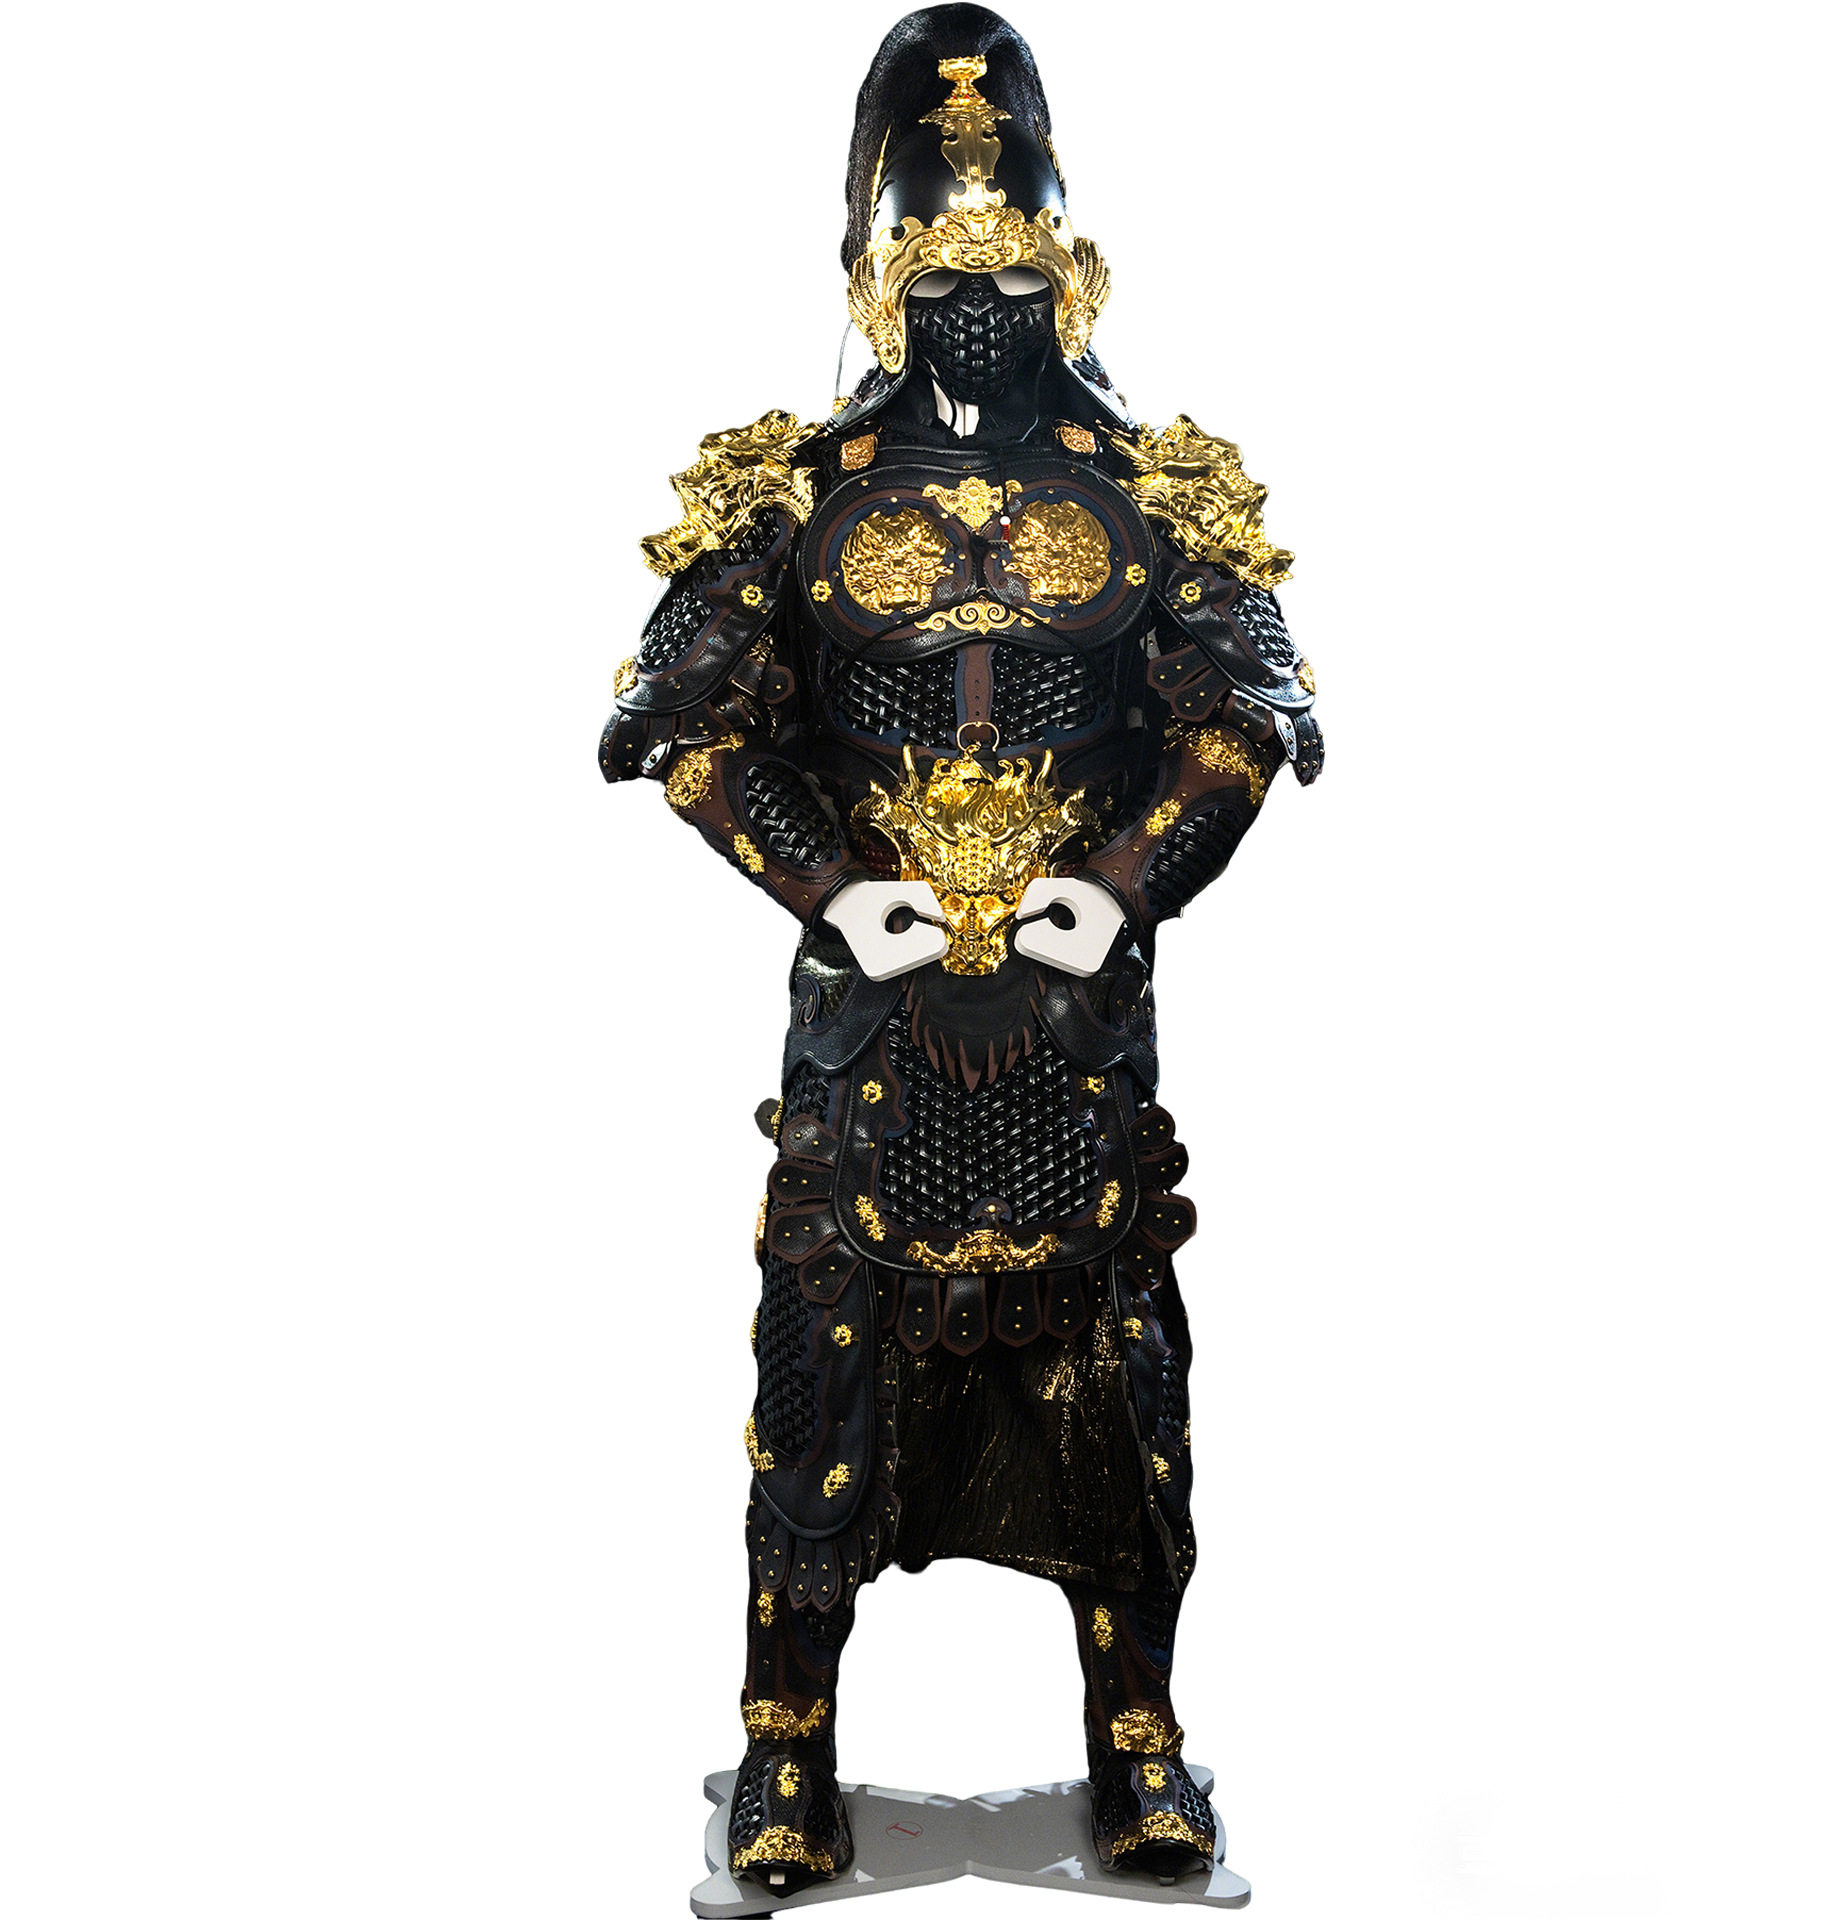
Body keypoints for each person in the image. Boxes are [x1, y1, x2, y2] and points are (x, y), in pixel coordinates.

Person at [599, 6, 1322, 1891]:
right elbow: (687, 729)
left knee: (1119, 1390)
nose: (978, 313)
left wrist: (1131, 880)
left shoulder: (1161, 487)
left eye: (1010, 278)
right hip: (872, 1022)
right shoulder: (792, 489)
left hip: (1080, 1024)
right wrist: (831, 890)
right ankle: (787, 1742)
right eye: (943, 280)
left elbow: (1249, 719)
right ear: (880, 280)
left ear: (1069, 271)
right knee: (824, 1378)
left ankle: (1138, 1738)